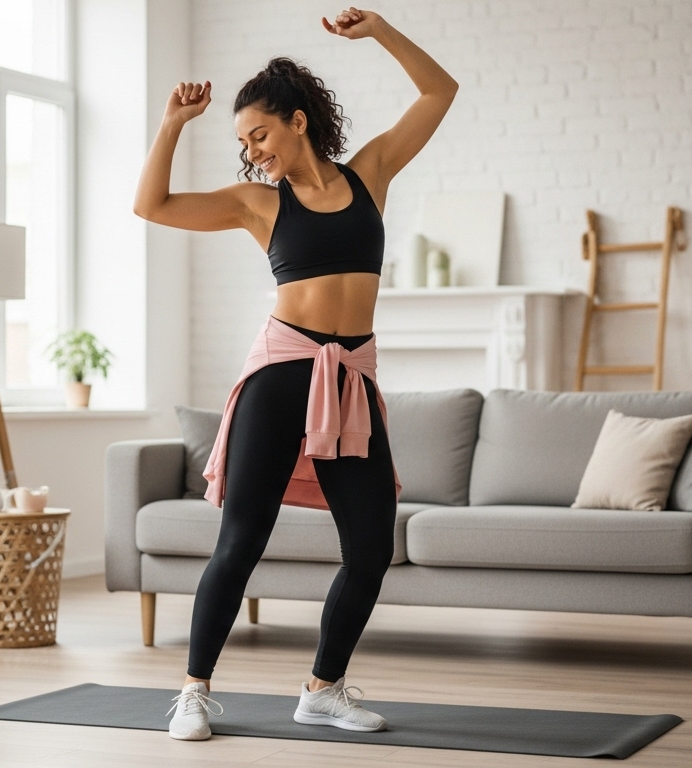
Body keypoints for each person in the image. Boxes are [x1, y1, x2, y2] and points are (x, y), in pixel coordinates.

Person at [133, 6, 457, 742]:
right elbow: (149, 204)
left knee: (372, 547)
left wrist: (377, 32)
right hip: (281, 374)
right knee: (241, 539)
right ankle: (192, 691)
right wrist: (172, 124)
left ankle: (323, 687)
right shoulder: (258, 203)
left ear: (299, 121)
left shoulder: (369, 175)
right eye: (244, 141)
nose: (253, 151)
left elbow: (439, 93)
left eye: (260, 134)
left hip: (351, 380)